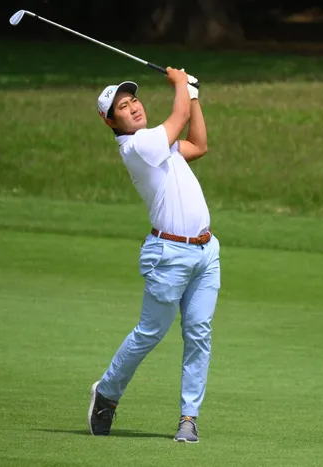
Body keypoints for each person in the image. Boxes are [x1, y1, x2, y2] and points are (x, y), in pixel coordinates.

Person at [88, 67, 220, 444]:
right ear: (110, 121)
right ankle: (107, 392)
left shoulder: (159, 143)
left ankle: (188, 419)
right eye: (122, 107)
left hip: (206, 252)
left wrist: (193, 95)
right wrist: (180, 84)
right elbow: (177, 119)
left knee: (199, 335)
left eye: (134, 100)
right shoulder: (138, 147)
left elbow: (198, 144)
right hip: (169, 255)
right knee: (150, 333)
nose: (133, 108)